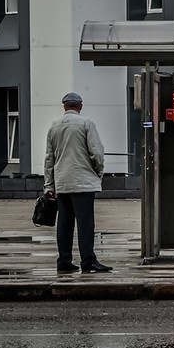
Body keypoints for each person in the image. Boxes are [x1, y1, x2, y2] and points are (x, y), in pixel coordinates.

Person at [43, 92, 112, 274]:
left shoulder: (54, 126)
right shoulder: (86, 123)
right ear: (80, 106)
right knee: (85, 223)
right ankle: (88, 261)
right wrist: (98, 172)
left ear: (64, 106)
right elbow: (96, 152)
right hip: (83, 181)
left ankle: (64, 261)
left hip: (62, 182)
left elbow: (49, 159)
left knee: (64, 224)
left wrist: (49, 185)